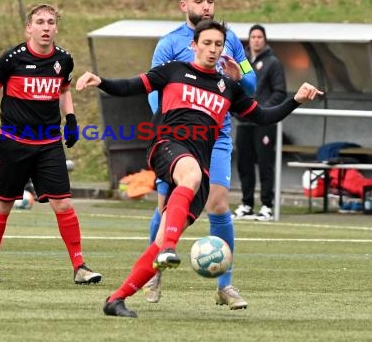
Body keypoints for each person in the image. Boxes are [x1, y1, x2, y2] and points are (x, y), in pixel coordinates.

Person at [76, 19, 323, 318]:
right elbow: (131, 86)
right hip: (167, 146)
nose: (212, 49)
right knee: (185, 188)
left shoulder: (228, 88)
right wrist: (99, 80)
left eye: (218, 44)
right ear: (194, 45)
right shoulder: (174, 71)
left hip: (198, 167)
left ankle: (116, 298)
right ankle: (170, 247)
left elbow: (263, 116)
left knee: (159, 242)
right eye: (206, 43)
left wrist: (295, 99)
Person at [143, 0, 257, 308]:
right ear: (184, 5)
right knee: (165, 206)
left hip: (217, 135)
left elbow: (250, 83)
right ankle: (154, 272)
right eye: (199, 1)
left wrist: (241, 78)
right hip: (177, 138)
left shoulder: (230, 40)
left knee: (219, 204)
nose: (206, 7)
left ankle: (226, 286)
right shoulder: (169, 44)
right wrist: (165, 131)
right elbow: (153, 91)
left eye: (210, 1)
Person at [0, 3, 102, 284]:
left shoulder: (64, 60)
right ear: (29, 28)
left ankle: (80, 267)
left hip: (48, 144)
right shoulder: (12, 59)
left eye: (50, 22)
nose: (46, 27)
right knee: (3, 206)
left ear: (56, 27)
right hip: (13, 143)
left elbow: (64, 89)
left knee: (63, 204)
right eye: (40, 22)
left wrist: (70, 119)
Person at [234, 24, 287, 221]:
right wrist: (240, 110)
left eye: (259, 36)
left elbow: (280, 92)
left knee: (265, 164)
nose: (256, 40)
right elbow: (236, 88)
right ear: (249, 40)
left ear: (264, 40)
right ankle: (247, 204)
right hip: (244, 122)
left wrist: (262, 111)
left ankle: (267, 205)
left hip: (264, 123)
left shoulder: (273, 63)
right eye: (253, 36)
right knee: (244, 164)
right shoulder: (243, 63)